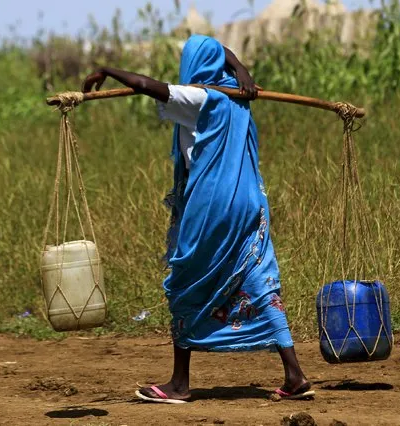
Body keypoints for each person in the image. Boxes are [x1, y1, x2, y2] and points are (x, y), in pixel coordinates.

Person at [82, 35, 314, 403]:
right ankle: (294, 374)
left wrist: (106, 69)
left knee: (186, 280)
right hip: (250, 202)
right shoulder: (239, 99)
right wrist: (240, 68)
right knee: (256, 276)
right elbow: (223, 54)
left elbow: (144, 85)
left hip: (212, 207)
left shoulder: (199, 100)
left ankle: (179, 383)